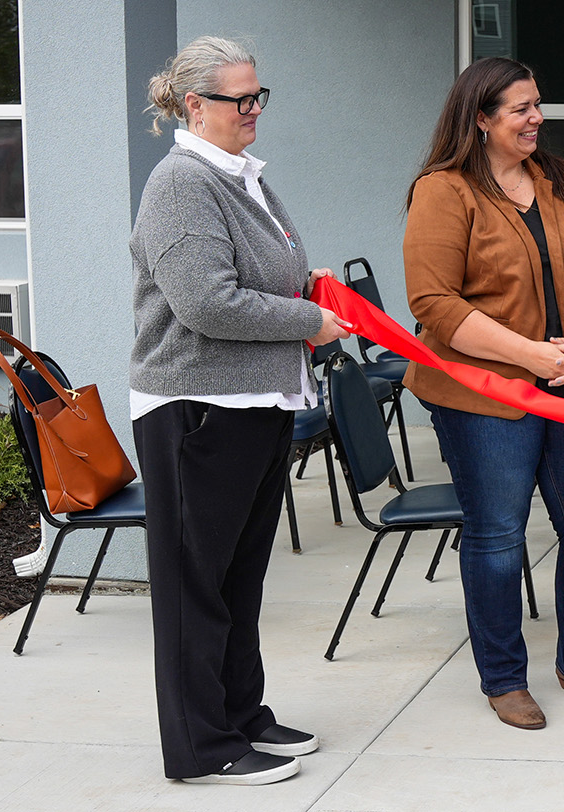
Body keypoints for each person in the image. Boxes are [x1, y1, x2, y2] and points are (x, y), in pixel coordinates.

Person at [129, 35, 347, 786]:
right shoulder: (182, 183)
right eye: (238, 99)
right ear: (195, 105)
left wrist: (306, 290)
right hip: (199, 407)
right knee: (197, 586)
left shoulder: (242, 177)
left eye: (259, 96)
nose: (254, 109)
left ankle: (240, 715)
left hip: (253, 402)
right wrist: (306, 322)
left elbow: (263, 274)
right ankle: (203, 747)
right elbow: (205, 302)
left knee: (237, 578)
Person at [405, 57, 564, 730]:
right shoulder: (443, 191)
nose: (537, 118)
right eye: (520, 109)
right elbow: (434, 303)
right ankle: (504, 677)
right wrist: (531, 355)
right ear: (480, 118)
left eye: (538, 105)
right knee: (499, 539)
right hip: (483, 397)